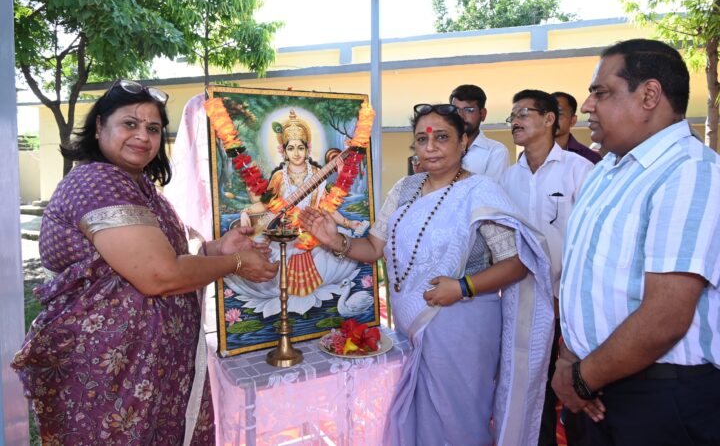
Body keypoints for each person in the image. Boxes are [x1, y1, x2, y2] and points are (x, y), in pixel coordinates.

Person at [12, 79, 277, 445]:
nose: (143, 136)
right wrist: (235, 263)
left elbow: (166, 256)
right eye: (130, 123)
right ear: (99, 126)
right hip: (107, 375)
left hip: (152, 370)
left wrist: (216, 249)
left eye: (153, 128)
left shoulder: (142, 188)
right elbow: (160, 275)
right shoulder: (96, 183)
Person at [300, 103, 554, 445]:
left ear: (463, 142)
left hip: (463, 327)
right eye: (422, 139)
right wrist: (336, 241)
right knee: (416, 421)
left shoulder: (481, 192)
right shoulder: (404, 190)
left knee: (460, 424)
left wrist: (462, 287)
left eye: (442, 138)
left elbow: (517, 263)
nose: (430, 147)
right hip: (411, 328)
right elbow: (373, 248)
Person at [552, 39, 720, 445]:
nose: (587, 105)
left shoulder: (691, 172)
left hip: (660, 399)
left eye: (601, 92)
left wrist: (580, 378)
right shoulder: (606, 169)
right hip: (595, 390)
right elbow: (583, 280)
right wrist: (569, 362)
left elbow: (665, 317)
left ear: (649, 95)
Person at [501, 89, 592, 446]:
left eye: (523, 113)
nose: (515, 121)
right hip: (520, 303)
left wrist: (561, 298)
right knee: (529, 391)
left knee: (571, 390)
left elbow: (588, 245)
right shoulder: (509, 178)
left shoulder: (579, 170)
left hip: (567, 305)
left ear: (550, 119)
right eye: (512, 116)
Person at [225, 109, 364, 315]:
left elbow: (326, 207)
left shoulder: (317, 174)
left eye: (300, 147)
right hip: (280, 233)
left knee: (342, 253)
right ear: (284, 151)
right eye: (291, 148)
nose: (296, 153)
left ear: (308, 149)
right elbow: (268, 206)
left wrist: (347, 223)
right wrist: (249, 208)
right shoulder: (278, 177)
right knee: (257, 262)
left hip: (309, 231)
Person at [450, 84, 509, 181]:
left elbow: (490, 189)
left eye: (469, 110)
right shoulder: (442, 148)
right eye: (456, 110)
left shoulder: (496, 151)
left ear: (482, 114)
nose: (461, 116)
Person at [551, 92, 602, 164]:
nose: (551, 119)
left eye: (559, 114)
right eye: (547, 114)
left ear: (573, 120)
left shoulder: (590, 158)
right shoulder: (534, 153)